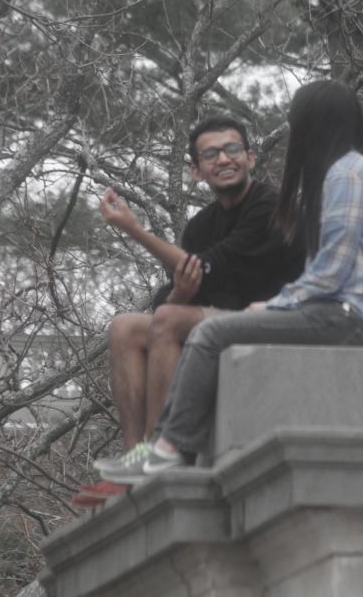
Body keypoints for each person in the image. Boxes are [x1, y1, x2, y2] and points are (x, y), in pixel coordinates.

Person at [124, 79, 363, 476]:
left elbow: (330, 273)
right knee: (174, 329)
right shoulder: (346, 172)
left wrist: (277, 304)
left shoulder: (347, 175)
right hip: (345, 314)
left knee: (209, 334)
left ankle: (173, 447)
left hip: (356, 320)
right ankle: (151, 447)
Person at [76, 116, 304, 504]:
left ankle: (156, 452)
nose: (224, 159)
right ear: (196, 171)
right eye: (211, 154)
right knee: (125, 328)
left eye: (232, 149)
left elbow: (207, 269)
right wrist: (182, 292)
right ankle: (135, 453)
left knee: (167, 317)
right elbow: (182, 293)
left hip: (279, 320)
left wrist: (134, 229)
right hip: (228, 320)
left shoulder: (269, 204)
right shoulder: (201, 226)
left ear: (250, 157)